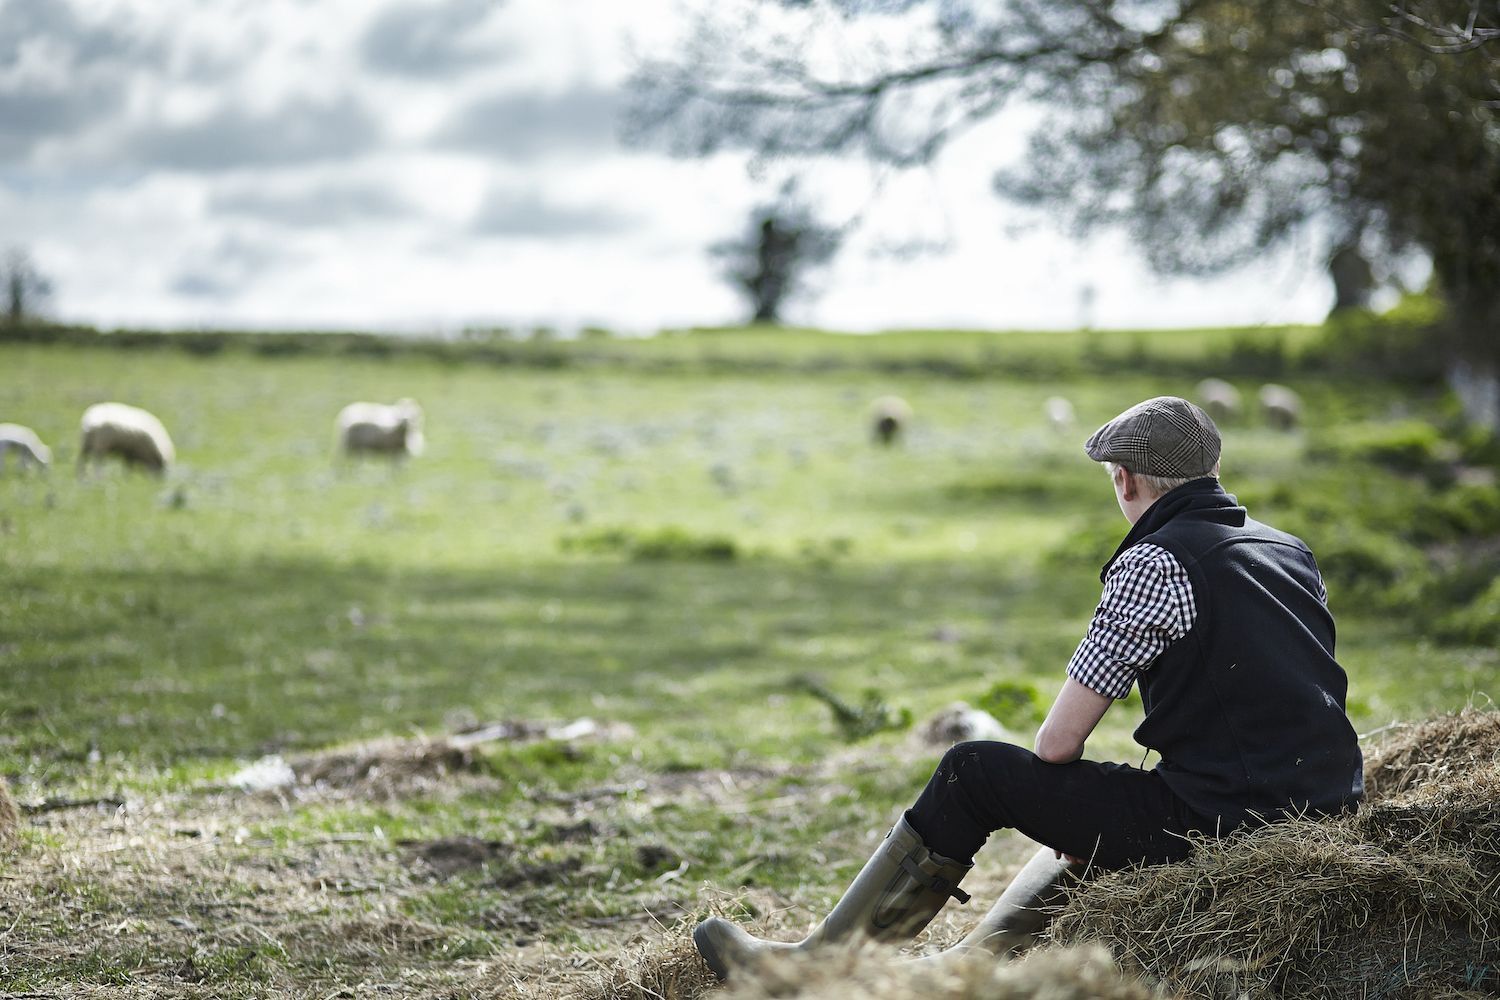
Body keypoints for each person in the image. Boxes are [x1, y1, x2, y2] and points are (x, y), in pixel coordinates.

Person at [693, 395, 1364, 979]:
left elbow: (1056, 743)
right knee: (1098, 804)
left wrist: (1064, 802)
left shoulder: (1155, 562)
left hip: (1222, 819)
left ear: (1123, 480)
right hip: (1324, 808)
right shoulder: (1288, 550)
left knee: (974, 771)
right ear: (1213, 472)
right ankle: (964, 967)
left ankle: (818, 968)